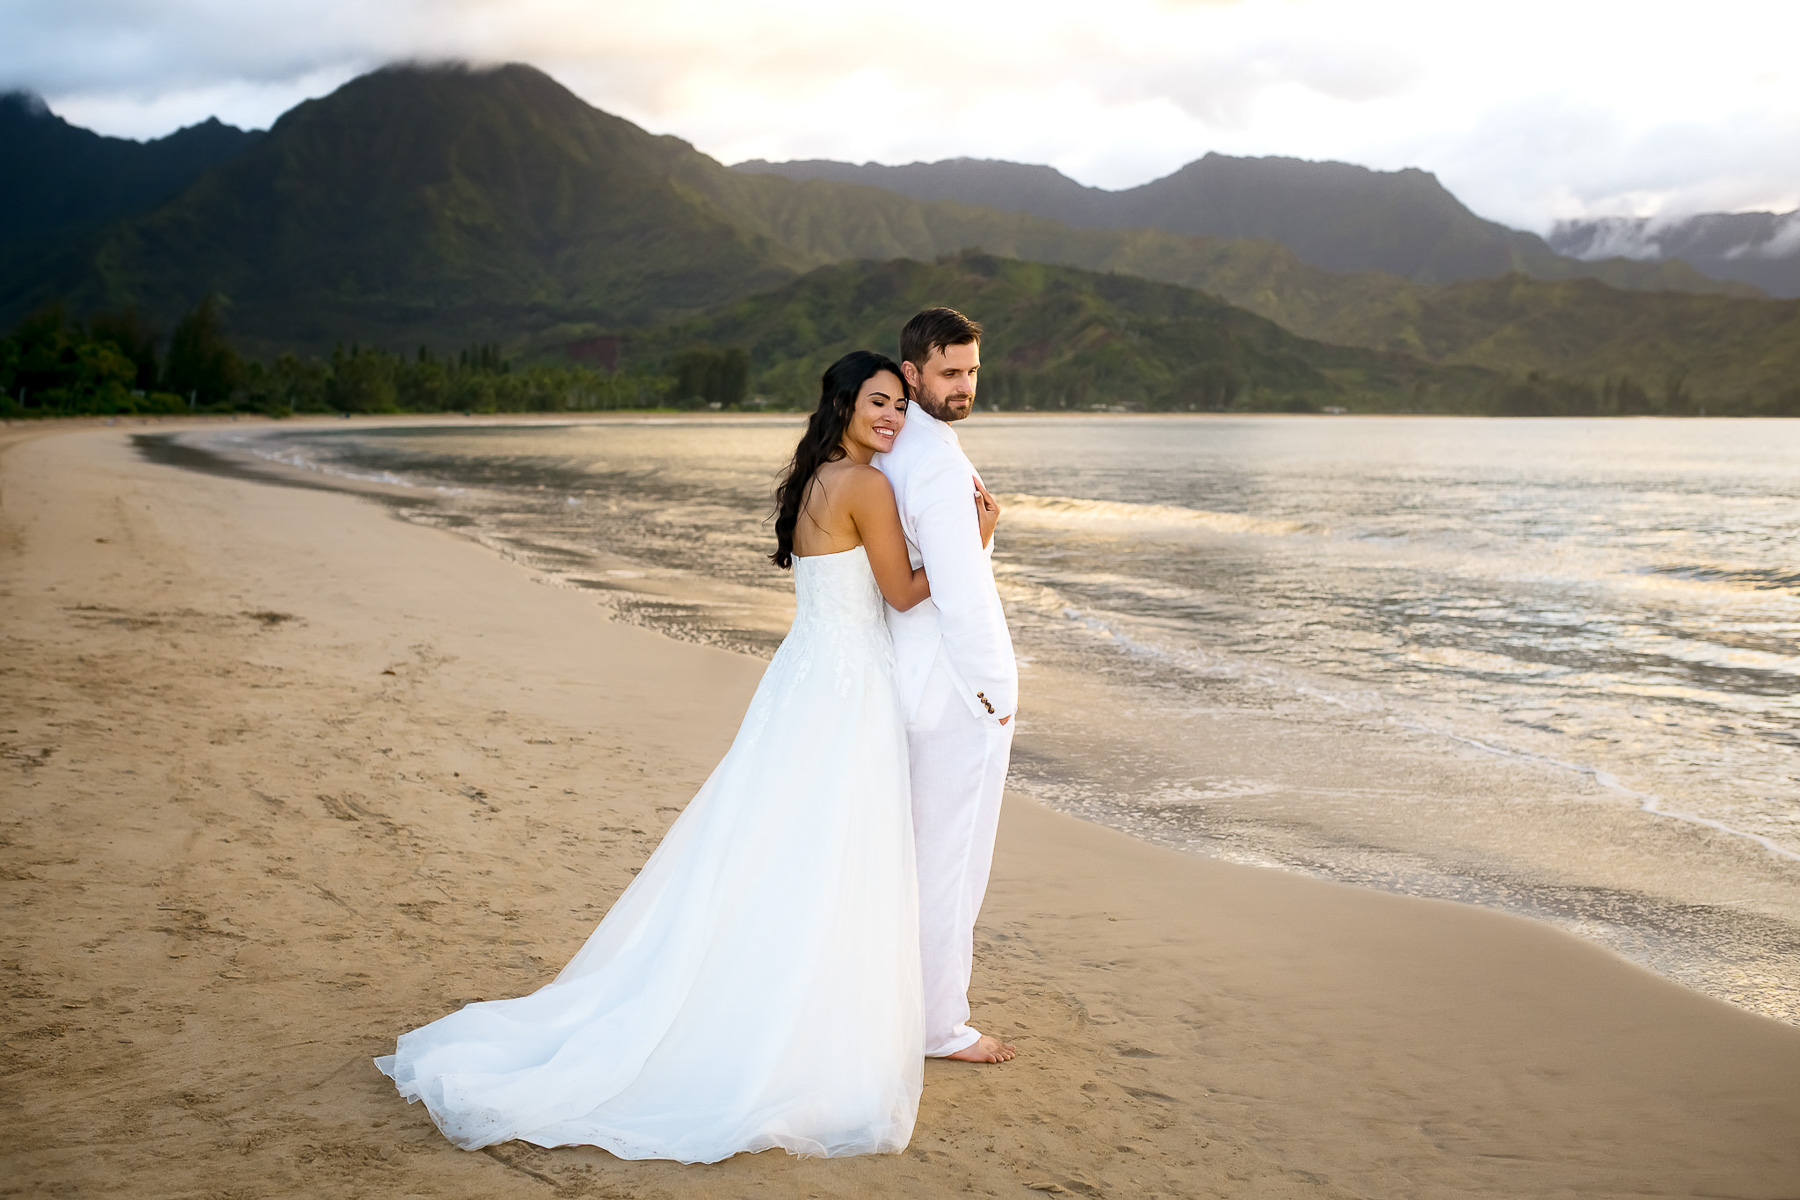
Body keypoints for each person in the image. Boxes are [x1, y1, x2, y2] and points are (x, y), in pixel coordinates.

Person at [374, 350, 993, 1161]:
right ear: (844, 403)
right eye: (877, 402)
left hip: (803, 677)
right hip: (847, 691)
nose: (891, 418)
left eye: (899, 407)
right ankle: (801, 1016)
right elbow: (907, 592)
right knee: (829, 848)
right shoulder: (869, 486)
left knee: (769, 840)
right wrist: (975, 537)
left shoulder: (812, 482)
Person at [876, 307, 1019, 1064]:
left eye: (971, 371)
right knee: (950, 865)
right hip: (956, 694)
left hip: (911, 681)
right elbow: (963, 596)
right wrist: (999, 696)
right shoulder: (930, 461)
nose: (964, 386)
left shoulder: (895, 449)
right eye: (949, 373)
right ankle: (939, 1026)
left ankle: (913, 1007)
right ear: (911, 374)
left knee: (921, 858)